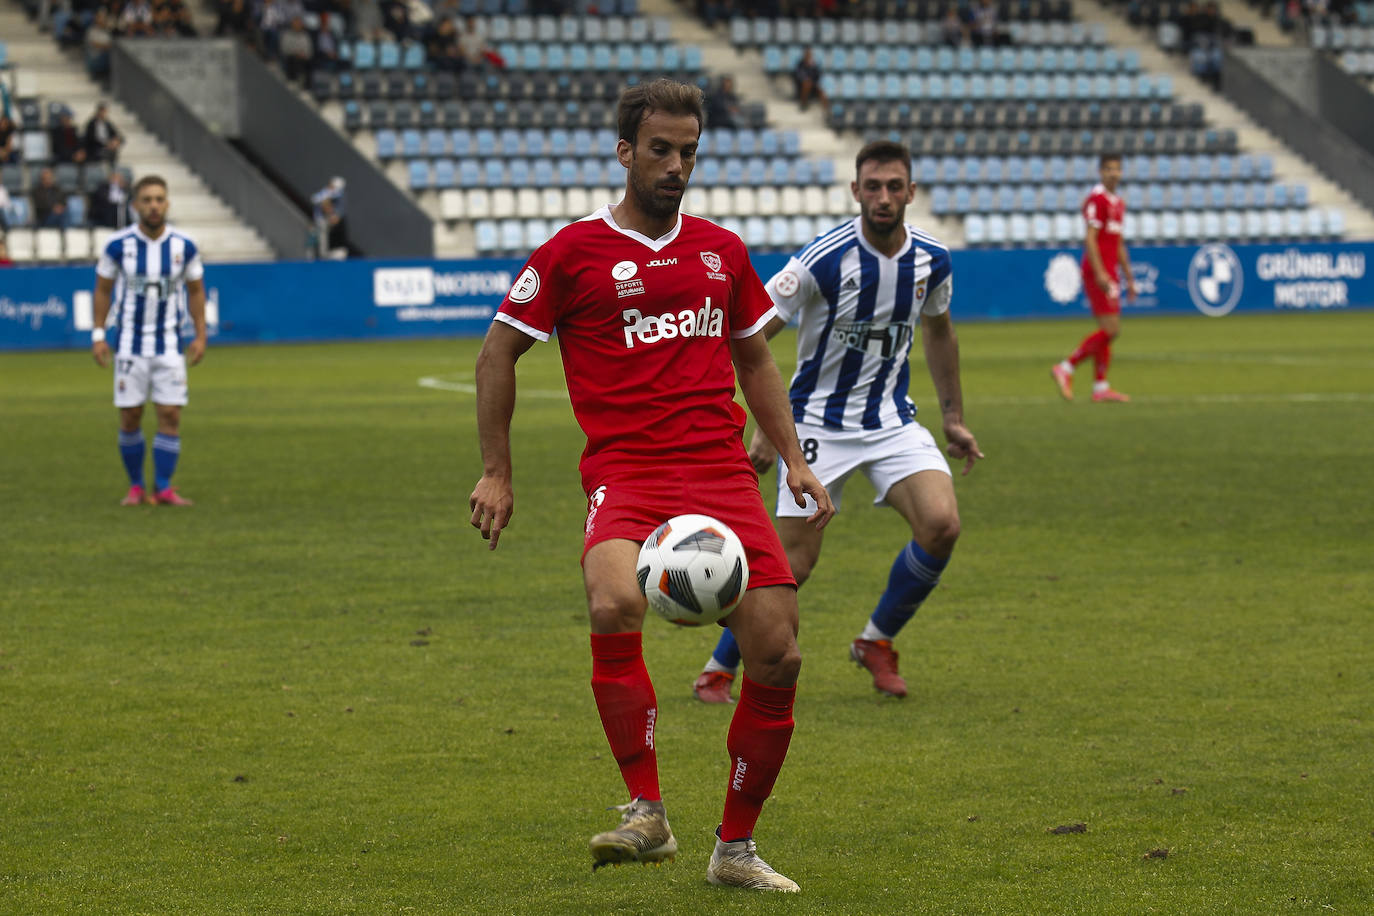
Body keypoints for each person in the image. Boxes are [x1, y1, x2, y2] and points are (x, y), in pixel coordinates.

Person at [468, 79, 835, 893]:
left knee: (779, 653)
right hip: (626, 472)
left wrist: (795, 457)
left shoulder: (721, 250)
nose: (676, 166)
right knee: (610, 603)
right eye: (661, 150)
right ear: (626, 151)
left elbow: (755, 357)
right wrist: (498, 470)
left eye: (689, 152)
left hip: (719, 471)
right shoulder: (572, 253)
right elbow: (498, 352)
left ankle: (734, 849)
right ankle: (647, 810)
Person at [691, 140, 984, 703]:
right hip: (815, 428)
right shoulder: (822, 259)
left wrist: (953, 418)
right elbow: (750, 336)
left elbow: (940, 332)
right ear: (855, 191)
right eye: (872, 186)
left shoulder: (932, 259)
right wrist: (762, 426)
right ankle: (718, 667)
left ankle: (876, 641)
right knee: (793, 565)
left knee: (942, 525)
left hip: (892, 421)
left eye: (894, 187)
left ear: (911, 193)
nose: (883, 197)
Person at [91, 175, 208, 507]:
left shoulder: (184, 246)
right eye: (147, 200)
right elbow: (102, 290)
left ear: (167, 203)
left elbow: (196, 291)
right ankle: (136, 487)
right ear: (135, 206)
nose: (154, 205)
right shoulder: (118, 245)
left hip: (170, 345)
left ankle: (164, 487)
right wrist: (99, 335)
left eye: (159, 199)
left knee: (170, 413)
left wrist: (200, 334)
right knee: (130, 416)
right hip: (129, 344)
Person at [1051, 153, 1135, 403]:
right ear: (1100, 172)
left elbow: (1118, 243)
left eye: (1117, 169)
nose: (1113, 173)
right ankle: (1066, 367)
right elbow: (1090, 238)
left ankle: (1100, 387)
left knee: (1106, 331)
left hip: (1110, 272)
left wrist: (1129, 278)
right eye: (1108, 169)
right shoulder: (1096, 199)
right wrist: (1099, 272)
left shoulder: (1118, 202)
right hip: (1098, 272)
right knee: (1112, 329)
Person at [310, 176, 348, 257]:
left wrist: (333, 214)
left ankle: (326, 253)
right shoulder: (326, 193)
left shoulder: (337, 195)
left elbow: (338, 211)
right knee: (319, 239)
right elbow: (317, 200)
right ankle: (321, 255)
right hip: (320, 220)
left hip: (327, 221)